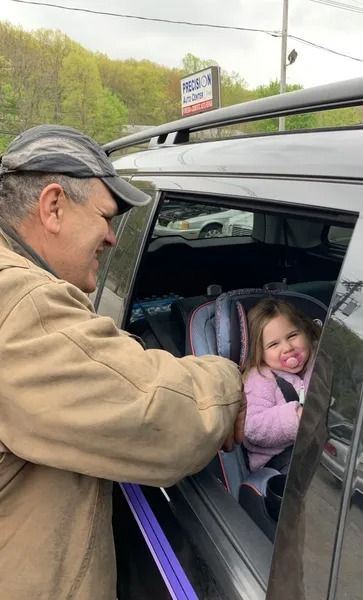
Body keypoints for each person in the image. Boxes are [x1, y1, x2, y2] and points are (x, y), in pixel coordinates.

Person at [0, 124, 245, 600]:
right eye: (107, 217)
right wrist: (231, 380)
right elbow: (155, 412)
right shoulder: (21, 302)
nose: (113, 238)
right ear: (53, 206)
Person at [243, 297, 320, 473]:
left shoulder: (320, 363)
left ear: (306, 332)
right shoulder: (260, 379)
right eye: (273, 344)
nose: (287, 348)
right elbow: (253, 426)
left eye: (293, 335)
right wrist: (296, 418)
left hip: (317, 450)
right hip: (280, 463)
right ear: (259, 352)